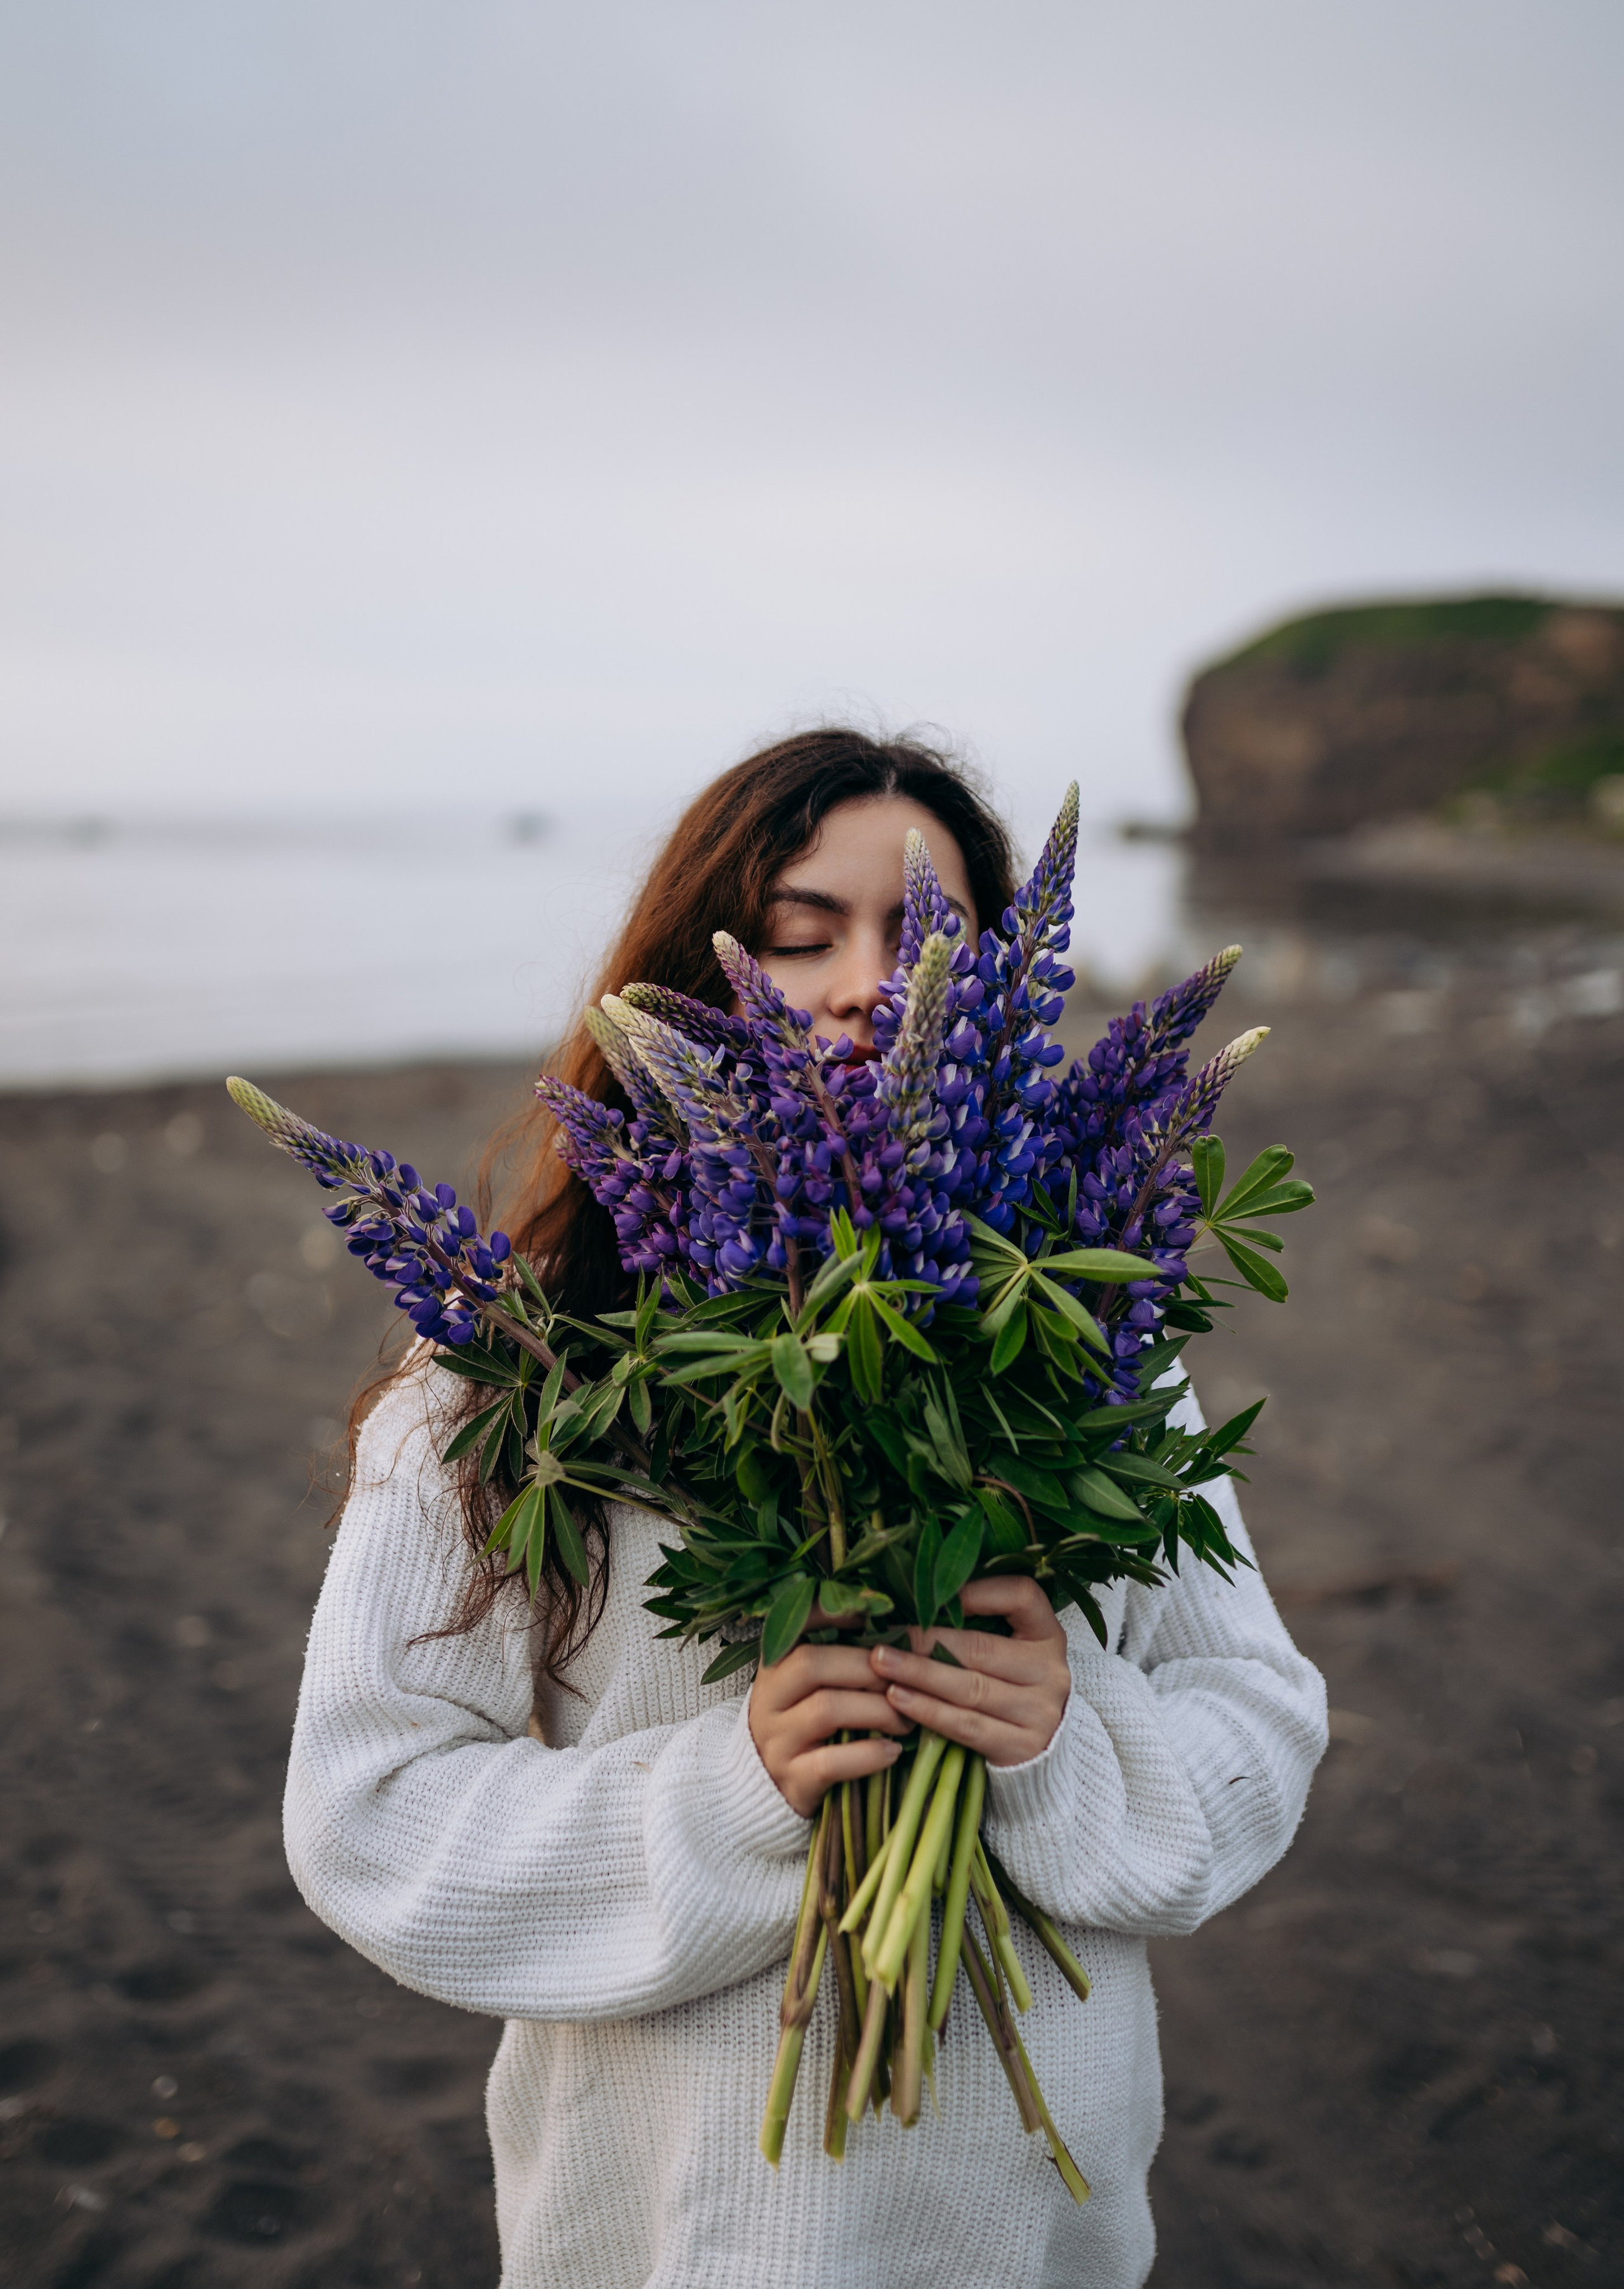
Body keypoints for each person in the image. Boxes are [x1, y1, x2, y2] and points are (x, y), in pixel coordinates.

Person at [284, 728, 1328, 2289]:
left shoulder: (1094, 1355)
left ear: (991, 1006)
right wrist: (728, 1793)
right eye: (796, 934)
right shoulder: (502, 1387)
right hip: (671, 2234)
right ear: (696, 980)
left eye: (923, 941)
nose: (862, 985)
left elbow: (1255, 1723)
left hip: (1039, 2237)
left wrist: (1065, 1743)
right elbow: (367, 1821)